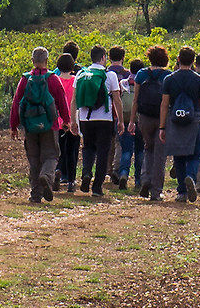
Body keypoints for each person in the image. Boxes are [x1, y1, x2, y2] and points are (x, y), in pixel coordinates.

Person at [7, 49, 70, 204]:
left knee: (34, 159)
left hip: (30, 126)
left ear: (32, 60)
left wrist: (14, 125)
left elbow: (16, 103)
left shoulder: (25, 79)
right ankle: (47, 177)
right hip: (50, 125)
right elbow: (62, 101)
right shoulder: (53, 79)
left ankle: (35, 195)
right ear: (47, 60)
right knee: (51, 155)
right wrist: (66, 120)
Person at [158, 47, 200, 203]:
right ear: (193, 61)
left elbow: (164, 104)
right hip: (193, 119)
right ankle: (191, 176)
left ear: (178, 59)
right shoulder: (199, 80)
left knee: (179, 155)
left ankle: (182, 191)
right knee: (195, 154)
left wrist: (162, 127)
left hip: (174, 119)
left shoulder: (169, 79)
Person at [71, 46, 123, 199]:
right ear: (103, 58)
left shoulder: (81, 74)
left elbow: (74, 100)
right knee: (102, 152)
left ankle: (86, 173)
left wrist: (73, 120)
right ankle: (97, 187)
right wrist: (120, 120)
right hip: (104, 119)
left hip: (85, 118)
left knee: (88, 147)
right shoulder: (110, 75)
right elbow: (117, 100)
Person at [132, 45, 172, 199]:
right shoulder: (168, 76)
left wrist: (132, 120)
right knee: (160, 155)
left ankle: (145, 179)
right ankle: (156, 191)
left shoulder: (141, 74)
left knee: (148, 149)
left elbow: (135, 100)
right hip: (162, 118)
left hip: (144, 117)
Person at [51, 49, 81, 194]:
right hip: (73, 121)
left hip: (58, 121)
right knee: (72, 152)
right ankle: (71, 181)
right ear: (73, 65)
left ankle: (57, 171)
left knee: (58, 151)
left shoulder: (55, 80)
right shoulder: (76, 80)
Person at [108, 46, 138, 190]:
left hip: (108, 114)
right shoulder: (127, 75)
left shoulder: (105, 73)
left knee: (111, 144)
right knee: (123, 145)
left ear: (108, 57)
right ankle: (120, 171)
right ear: (123, 57)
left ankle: (110, 170)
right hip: (127, 116)